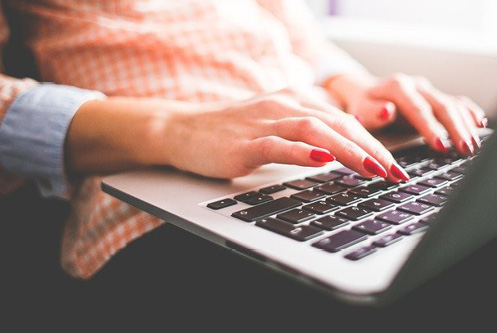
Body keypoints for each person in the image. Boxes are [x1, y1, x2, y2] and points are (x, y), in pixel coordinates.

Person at [0, 0, 487, 284]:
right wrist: (175, 128)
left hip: (329, 142)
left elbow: (300, 40)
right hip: (164, 201)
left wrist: (355, 85)